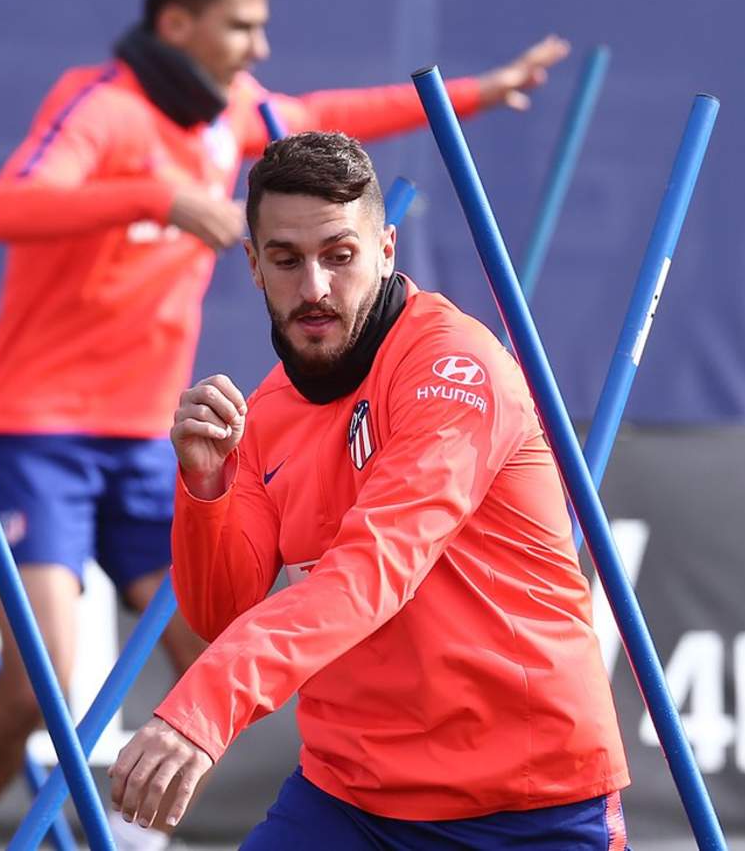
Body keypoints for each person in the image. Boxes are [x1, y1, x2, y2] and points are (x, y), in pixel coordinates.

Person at [0, 0, 569, 851]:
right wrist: (156, 197)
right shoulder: (102, 108)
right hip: (41, 431)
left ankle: (137, 835)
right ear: (177, 25)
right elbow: (6, 206)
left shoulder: (235, 113)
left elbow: (335, 115)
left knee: (212, 644)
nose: (260, 46)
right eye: (240, 26)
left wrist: (480, 92)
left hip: (148, 437)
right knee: (40, 685)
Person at [107, 131, 631, 849]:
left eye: (339, 255)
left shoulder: (454, 369)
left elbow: (372, 570)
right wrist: (206, 487)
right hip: (351, 796)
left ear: (386, 250)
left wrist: (203, 709)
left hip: (526, 803)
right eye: (286, 260)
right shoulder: (263, 412)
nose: (314, 288)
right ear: (254, 266)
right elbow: (218, 610)